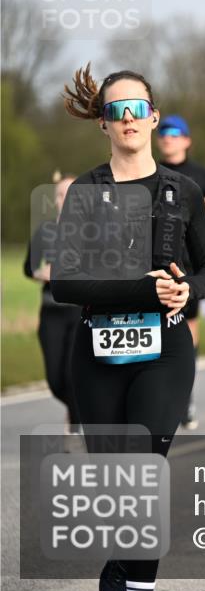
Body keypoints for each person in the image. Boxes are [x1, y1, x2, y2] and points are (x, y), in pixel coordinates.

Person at [54, 64, 205, 591]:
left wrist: (185, 292)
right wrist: (141, 289)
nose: (127, 119)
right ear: (103, 124)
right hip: (96, 352)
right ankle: (122, 558)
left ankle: (139, 590)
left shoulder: (185, 191)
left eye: (136, 109)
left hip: (166, 349)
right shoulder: (86, 191)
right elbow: (64, 283)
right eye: (115, 111)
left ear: (152, 117)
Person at [156, 115, 205, 430]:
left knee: (186, 330)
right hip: (154, 264)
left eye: (174, 134)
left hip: (190, 266)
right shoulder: (151, 171)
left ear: (186, 140)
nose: (168, 138)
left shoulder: (199, 175)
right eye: (164, 134)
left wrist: (204, 208)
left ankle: (185, 398)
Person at [24, 172, 81, 433]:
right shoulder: (44, 232)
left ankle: (77, 426)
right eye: (60, 194)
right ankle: (87, 412)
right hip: (51, 312)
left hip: (81, 312)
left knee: (72, 376)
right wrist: (41, 273)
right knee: (55, 380)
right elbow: (28, 268)